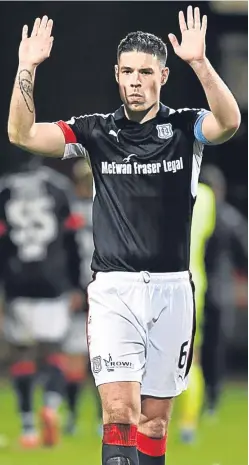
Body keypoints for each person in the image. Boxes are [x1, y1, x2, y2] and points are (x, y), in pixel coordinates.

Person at [7, 6, 241, 464]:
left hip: (173, 290)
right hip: (115, 290)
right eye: (128, 71)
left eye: (146, 72)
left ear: (163, 76)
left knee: (154, 423)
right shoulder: (96, 132)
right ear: (117, 74)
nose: (136, 80)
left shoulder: (185, 127)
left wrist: (201, 63)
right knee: (119, 413)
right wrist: (26, 66)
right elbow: (21, 134)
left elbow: (229, 122)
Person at [0, 148, 83, 448]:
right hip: (53, 283)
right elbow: (73, 242)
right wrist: (76, 285)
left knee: (22, 355)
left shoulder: (5, 189)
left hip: (17, 283)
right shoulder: (58, 188)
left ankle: (27, 428)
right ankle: (49, 405)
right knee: (55, 354)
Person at [200, 164, 247, 415]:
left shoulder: (187, 214)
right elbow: (245, 256)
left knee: (192, 348)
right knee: (215, 347)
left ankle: (190, 398)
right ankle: (212, 397)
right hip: (220, 288)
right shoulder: (230, 217)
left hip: (192, 286)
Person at [62, 159, 100, 435]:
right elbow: (63, 255)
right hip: (79, 289)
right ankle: (72, 416)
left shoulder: (107, 206)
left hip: (104, 288)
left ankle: (103, 419)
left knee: (107, 360)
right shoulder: (69, 210)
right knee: (75, 358)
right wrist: (70, 288)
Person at [178, 182, 216, 442]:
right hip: (195, 280)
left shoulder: (167, 183)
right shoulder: (207, 195)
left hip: (163, 276)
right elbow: (208, 232)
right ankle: (188, 424)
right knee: (192, 355)